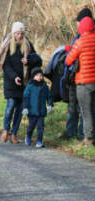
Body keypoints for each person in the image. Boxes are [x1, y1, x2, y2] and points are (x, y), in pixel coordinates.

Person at [0, 21, 42, 144]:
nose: (19, 36)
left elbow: (38, 60)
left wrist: (28, 61)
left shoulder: (27, 45)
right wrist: (14, 77)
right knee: (10, 106)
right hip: (11, 82)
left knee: (20, 109)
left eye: (21, 33)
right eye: (17, 33)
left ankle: (14, 134)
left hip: (24, 83)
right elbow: (5, 65)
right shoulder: (7, 45)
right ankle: (6, 129)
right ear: (13, 34)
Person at [59, 8, 91, 140]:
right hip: (78, 78)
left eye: (78, 22)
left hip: (80, 77)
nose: (76, 25)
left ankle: (81, 134)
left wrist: (69, 51)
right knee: (77, 107)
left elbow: (69, 59)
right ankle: (73, 132)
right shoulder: (80, 36)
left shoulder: (82, 38)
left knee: (83, 108)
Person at [66, 16, 95, 146]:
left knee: (86, 111)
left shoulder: (80, 42)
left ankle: (88, 139)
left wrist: (69, 50)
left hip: (84, 82)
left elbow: (68, 61)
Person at [22, 67, 53, 148]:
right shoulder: (30, 86)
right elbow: (26, 97)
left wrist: (49, 105)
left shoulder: (44, 86)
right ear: (33, 76)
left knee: (40, 127)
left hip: (41, 111)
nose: (39, 77)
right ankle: (28, 137)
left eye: (41, 75)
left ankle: (39, 141)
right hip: (32, 111)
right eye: (37, 75)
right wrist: (25, 107)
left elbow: (49, 96)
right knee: (31, 126)